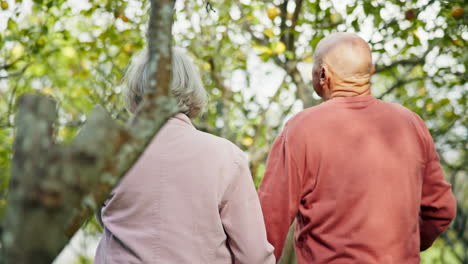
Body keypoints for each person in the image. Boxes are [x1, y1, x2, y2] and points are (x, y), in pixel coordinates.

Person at [258, 32, 457, 263]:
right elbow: (441, 210)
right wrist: (404, 245)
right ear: (370, 72)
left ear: (323, 74)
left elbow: (269, 222)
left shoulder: (301, 129)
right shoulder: (411, 124)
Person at [94, 49, 275, 264]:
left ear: (136, 94)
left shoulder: (106, 154)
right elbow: (254, 257)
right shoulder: (226, 157)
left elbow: (103, 220)